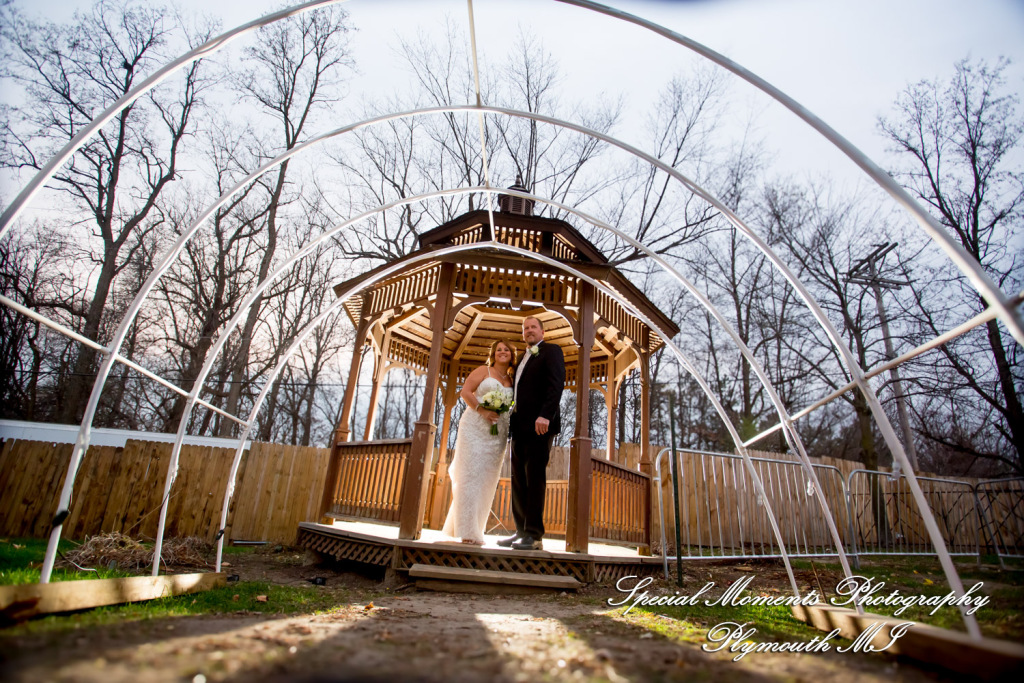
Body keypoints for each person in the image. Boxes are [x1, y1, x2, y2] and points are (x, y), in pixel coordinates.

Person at [499, 316, 565, 551]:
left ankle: (534, 535)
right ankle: (521, 531)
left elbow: (556, 384)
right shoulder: (521, 360)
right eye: (525, 328)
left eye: (533, 327)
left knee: (535, 478)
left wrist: (545, 415)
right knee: (518, 479)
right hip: (519, 427)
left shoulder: (551, 351)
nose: (529, 331)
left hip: (540, 426)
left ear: (542, 332)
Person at [442, 339, 516, 545]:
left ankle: (476, 528)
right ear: (493, 354)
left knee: (487, 481)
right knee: (470, 476)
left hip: (498, 433)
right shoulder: (484, 371)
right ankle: (468, 532)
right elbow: (465, 392)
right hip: (474, 428)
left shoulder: (512, 379)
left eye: (506, 349)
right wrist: (482, 410)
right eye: (498, 349)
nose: (502, 352)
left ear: (512, 355)